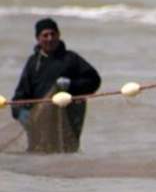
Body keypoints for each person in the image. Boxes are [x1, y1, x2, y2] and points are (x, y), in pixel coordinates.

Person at [12, 17, 101, 153]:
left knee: (66, 155)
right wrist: (19, 112)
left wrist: (71, 85)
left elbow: (94, 80)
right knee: (39, 156)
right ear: (38, 38)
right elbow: (21, 94)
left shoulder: (71, 59)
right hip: (39, 125)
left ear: (59, 35)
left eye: (53, 34)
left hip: (67, 122)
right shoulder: (33, 63)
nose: (50, 38)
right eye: (45, 35)